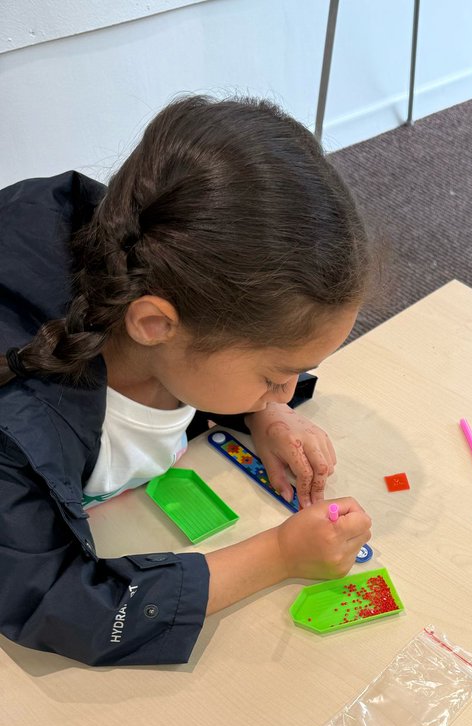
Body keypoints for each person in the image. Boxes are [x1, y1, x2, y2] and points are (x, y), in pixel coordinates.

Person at [0, 95, 373, 666]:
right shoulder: (18, 424)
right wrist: (278, 554)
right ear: (155, 325)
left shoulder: (161, 283)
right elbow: (56, 601)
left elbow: (207, 370)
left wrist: (264, 413)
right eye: (276, 377)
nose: (288, 389)